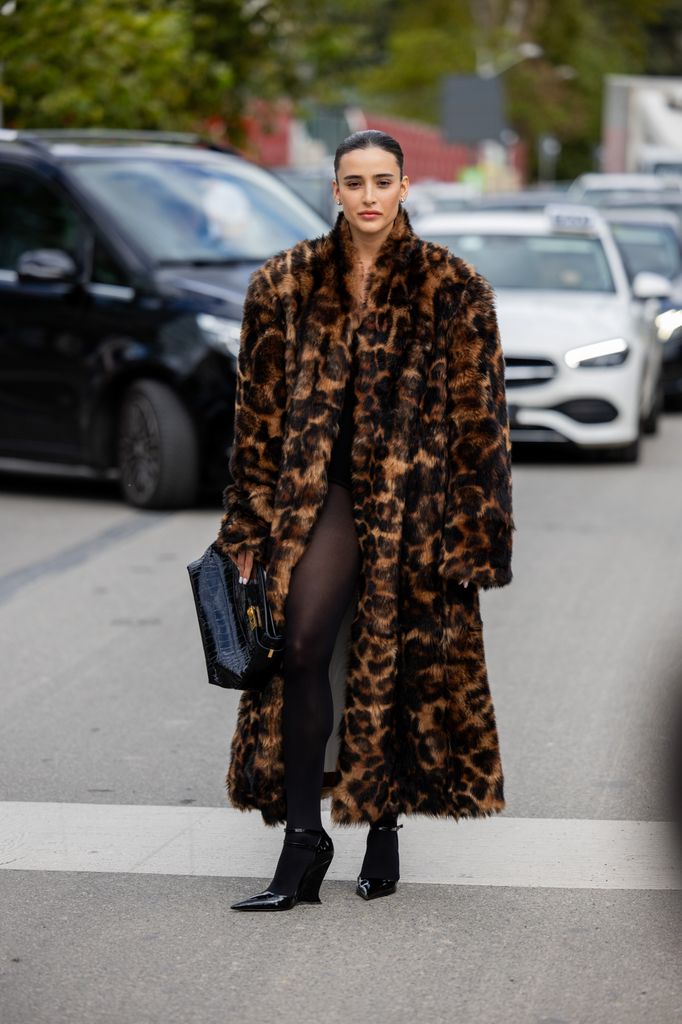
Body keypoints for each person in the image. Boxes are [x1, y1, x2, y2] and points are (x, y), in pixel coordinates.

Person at [215, 130, 515, 911]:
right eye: (355, 182)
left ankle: (382, 824)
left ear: (406, 186)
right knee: (305, 641)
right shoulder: (283, 284)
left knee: (394, 657)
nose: (370, 196)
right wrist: (245, 530)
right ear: (336, 190)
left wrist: (475, 533)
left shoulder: (453, 286)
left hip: (416, 507)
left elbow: (481, 423)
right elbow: (257, 422)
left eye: (384, 180)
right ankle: (304, 840)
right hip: (321, 497)